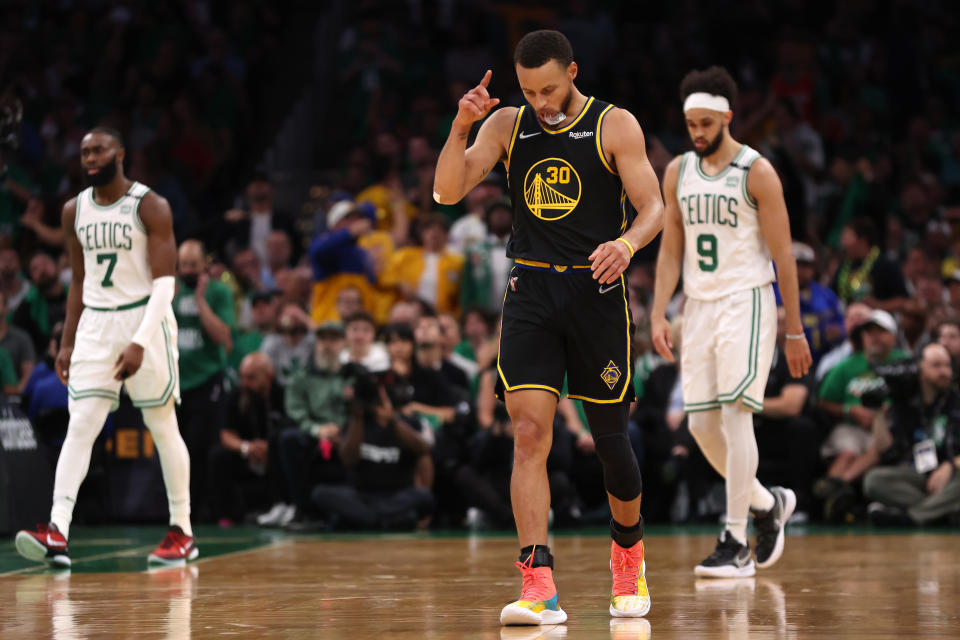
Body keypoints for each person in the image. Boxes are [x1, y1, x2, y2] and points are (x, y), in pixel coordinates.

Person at [434, 30, 663, 623]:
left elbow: (654, 206)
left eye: (550, 88)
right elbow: (446, 190)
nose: (541, 101)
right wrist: (461, 127)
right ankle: (539, 585)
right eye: (530, 90)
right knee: (529, 435)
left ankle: (628, 557)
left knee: (611, 443)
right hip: (531, 290)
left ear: (574, 72)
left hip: (596, 290)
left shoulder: (615, 124)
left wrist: (628, 243)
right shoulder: (508, 124)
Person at [650, 66, 812, 579]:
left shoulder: (757, 171)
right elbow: (670, 248)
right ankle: (769, 503)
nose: (696, 132)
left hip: (748, 299)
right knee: (700, 424)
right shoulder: (676, 171)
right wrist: (659, 310)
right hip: (697, 306)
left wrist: (794, 328)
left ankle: (736, 537)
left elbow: (784, 258)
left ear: (726, 116)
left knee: (736, 413)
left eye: (705, 122)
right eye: (690, 123)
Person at [15, 126, 195, 568]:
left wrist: (138, 341)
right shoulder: (73, 210)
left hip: (144, 317)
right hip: (96, 323)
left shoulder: (151, 205)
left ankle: (182, 530)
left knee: (160, 422)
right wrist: (66, 341)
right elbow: (78, 279)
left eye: (99, 149)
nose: (90, 157)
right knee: (82, 424)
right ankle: (57, 530)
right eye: (84, 151)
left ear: (120, 153)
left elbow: (165, 285)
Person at [865, 343, 960, 525]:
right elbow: (887, 451)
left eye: (947, 366)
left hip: (953, 476)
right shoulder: (906, 403)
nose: (945, 372)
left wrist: (949, 466)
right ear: (920, 368)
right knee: (874, 480)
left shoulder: (956, 400)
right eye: (936, 365)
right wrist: (877, 412)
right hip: (921, 476)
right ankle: (942, 512)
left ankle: (912, 517)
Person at [174, 238, 235, 519]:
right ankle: (180, 510)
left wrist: (199, 300)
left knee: (200, 448)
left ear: (205, 265)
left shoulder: (219, 292)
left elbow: (223, 337)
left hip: (207, 380)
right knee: (177, 449)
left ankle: (200, 511)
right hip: (176, 383)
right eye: (183, 264)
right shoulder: (169, 291)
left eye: (192, 265)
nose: (187, 269)